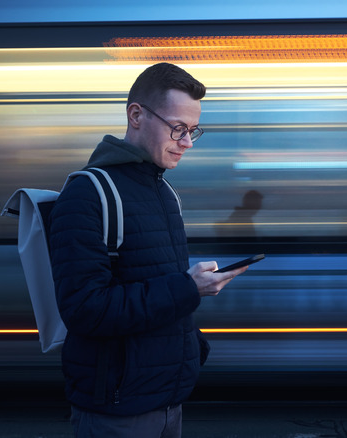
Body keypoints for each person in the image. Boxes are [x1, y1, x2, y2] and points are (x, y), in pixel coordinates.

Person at [48, 62, 247, 437]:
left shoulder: (165, 193)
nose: (186, 142)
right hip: (117, 409)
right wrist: (189, 288)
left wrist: (190, 347)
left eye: (192, 131)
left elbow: (157, 286)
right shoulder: (88, 193)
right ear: (136, 115)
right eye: (177, 128)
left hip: (167, 397)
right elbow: (84, 309)